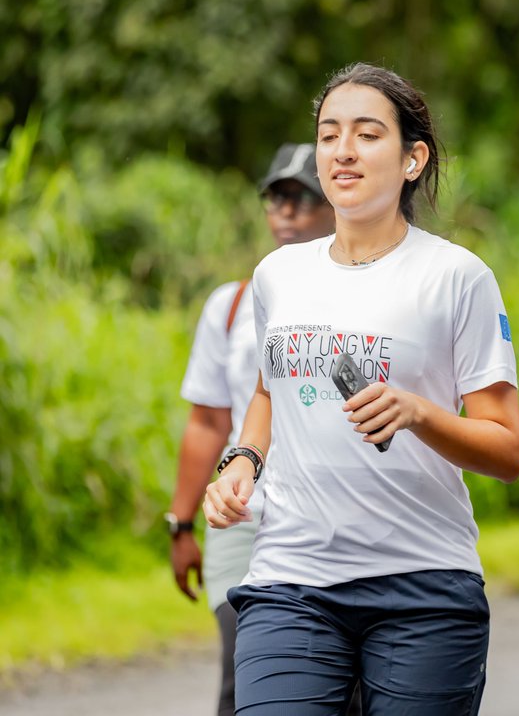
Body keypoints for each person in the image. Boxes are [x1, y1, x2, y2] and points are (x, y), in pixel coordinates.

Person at [202, 62, 519, 715]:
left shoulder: (455, 278)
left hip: (423, 588)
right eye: (329, 134)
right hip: (289, 579)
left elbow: (508, 449)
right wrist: (243, 460)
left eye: (367, 133)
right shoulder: (278, 276)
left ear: (412, 159)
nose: (343, 150)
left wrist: (418, 414)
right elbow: (270, 391)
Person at [166, 143, 336, 716]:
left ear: (337, 203)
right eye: (276, 198)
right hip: (243, 520)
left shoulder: (364, 304)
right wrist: (181, 523)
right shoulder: (234, 305)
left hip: (332, 520)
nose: (287, 212)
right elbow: (210, 421)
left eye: (303, 198)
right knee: (246, 683)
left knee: (342, 690)